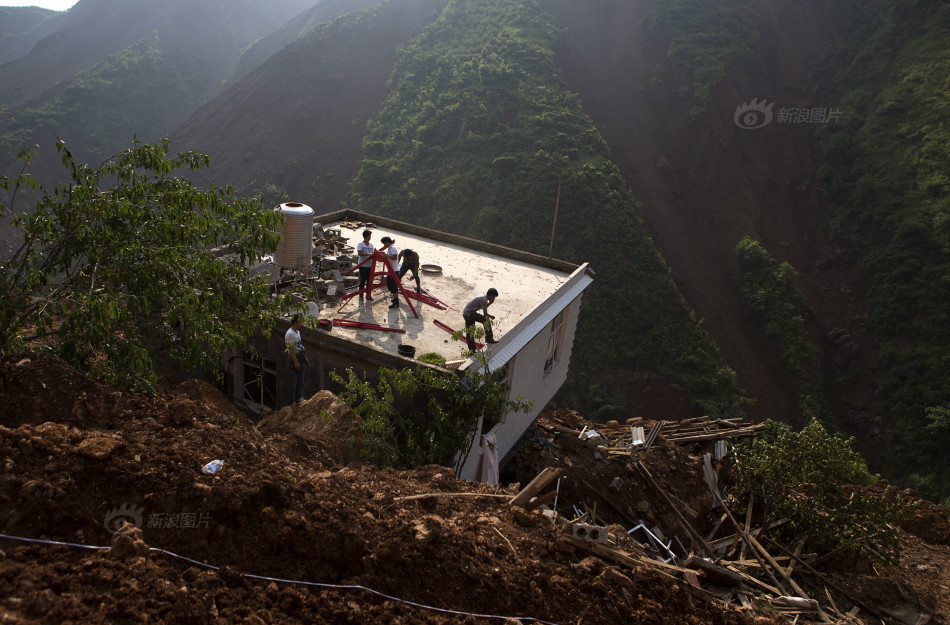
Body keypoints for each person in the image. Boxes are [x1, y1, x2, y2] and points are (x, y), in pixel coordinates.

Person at [285, 314, 309, 403]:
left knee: (301, 378)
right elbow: (290, 349)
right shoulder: (290, 334)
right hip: (295, 357)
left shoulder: (297, 332)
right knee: (299, 378)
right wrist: (295, 362)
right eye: (300, 322)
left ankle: (299, 395)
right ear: (295, 322)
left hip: (300, 355)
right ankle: (297, 398)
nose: (301, 323)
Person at [379, 236, 400, 309]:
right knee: (390, 285)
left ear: (387, 242)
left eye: (384, 244)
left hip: (394, 270)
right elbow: (388, 258)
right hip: (391, 269)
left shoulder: (393, 249)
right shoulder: (390, 249)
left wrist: (386, 255)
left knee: (393, 287)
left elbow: (395, 257)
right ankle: (395, 299)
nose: (384, 245)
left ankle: (396, 302)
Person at [355, 229, 374, 303]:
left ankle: (368, 295)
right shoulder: (360, 244)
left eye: (370, 236)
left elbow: (372, 254)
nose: (369, 237)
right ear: (365, 237)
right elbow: (359, 253)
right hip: (362, 265)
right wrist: (368, 254)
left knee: (369, 281)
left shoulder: (371, 245)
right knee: (363, 280)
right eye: (368, 236)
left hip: (369, 265)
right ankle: (361, 295)